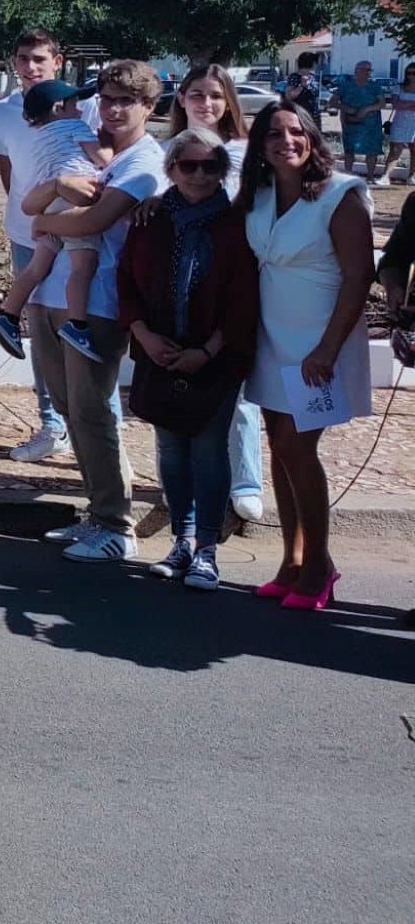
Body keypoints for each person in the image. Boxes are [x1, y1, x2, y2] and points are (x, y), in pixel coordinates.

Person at [24, 60, 168, 563]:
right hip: (53, 294)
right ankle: (96, 511)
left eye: (125, 100)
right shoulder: (90, 148)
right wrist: (49, 203)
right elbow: (34, 199)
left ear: (149, 107)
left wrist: (44, 217)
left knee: (91, 411)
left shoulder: (145, 162)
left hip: (99, 303)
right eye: (107, 98)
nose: (112, 109)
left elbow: (98, 219)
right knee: (70, 410)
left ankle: (115, 525)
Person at [238, 104, 373, 609]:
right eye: (274, 133)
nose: (286, 140)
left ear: (313, 138)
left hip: (320, 344)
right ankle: (291, 559)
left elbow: (359, 278)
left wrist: (328, 349)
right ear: (261, 144)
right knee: (278, 446)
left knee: (298, 448)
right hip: (271, 337)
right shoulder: (259, 194)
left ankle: (320, 563)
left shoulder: (341, 194)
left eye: (297, 131)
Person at [116, 130, 259, 591]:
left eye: (209, 166)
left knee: (208, 449)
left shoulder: (237, 223)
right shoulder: (151, 219)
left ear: (222, 170)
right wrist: (143, 335)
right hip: (159, 350)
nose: (198, 174)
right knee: (171, 450)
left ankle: (207, 550)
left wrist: (207, 351)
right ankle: (181, 539)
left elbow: (245, 296)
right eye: (188, 165)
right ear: (171, 168)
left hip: (215, 357)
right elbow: (127, 284)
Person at [0, 30, 92, 463]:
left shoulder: (81, 107)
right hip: (29, 232)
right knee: (42, 331)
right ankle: (52, 424)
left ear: (58, 59)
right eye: (23, 58)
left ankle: (88, 424)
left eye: (39, 58)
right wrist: (37, 216)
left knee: (83, 322)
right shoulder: (3, 113)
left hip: (81, 226)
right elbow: (10, 176)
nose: (30, 66)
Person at [165, 63, 264, 523]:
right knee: (172, 386)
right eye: (198, 95)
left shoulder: (244, 153)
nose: (206, 104)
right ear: (182, 98)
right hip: (175, 281)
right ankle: (180, 483)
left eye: (216, 96)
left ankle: (245, 479)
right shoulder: (164, 151)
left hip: (230, 273)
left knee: (236, 386)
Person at [0, 81, 104, 362]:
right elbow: (102, 158)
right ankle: (77, 324)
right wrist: (108, 146)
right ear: (57, 108)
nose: (79, 110)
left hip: (48, 202)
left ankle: (9, 314)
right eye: (74, 104)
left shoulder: (37, 135)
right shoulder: (77, 128)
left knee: (37, 267)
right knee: (83, 264)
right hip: (72, 198)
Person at [329, 60, 388, 179]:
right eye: (365, 70)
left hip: (371, 124)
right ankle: (348, 175)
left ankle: (370, 176)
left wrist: (367, 109)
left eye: (369, 70)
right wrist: (346, 108)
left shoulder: (374, 86)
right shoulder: (345, 85)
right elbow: (332, 102)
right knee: (349, 150)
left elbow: (382, 103)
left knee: (372, 150)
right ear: (357, 71)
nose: (368, 73)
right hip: (351, 123)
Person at [386, 64, 415, 183]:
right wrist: (412, 104)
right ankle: (385, 175)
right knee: (395, 150)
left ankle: (412, 176)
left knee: (414, 150)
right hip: (400, 122)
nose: (411, 76)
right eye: (409, 73)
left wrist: (404, 104)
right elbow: (395, 104)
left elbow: (400, 103)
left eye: (414, 73)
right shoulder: (399, 87)